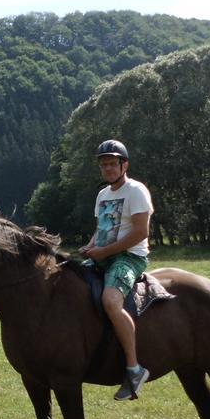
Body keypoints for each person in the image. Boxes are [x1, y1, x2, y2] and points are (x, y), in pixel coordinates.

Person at [78, 139, 154, 401]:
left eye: (112, 163)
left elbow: (141, 232)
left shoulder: (136, 191)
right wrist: (89, 247)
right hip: (102, 256)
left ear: (124, 165)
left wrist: (105, 252)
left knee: (111, 300)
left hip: (129, 257)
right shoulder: (102, 195)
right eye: (103, 165)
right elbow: (101, 230)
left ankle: (134, 368)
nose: (107, 169)